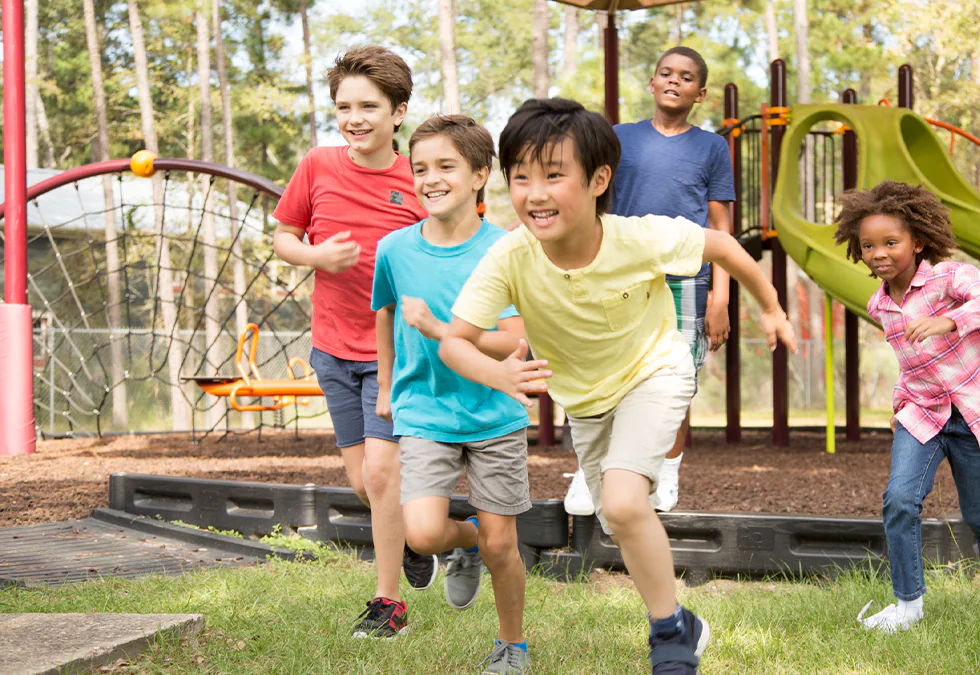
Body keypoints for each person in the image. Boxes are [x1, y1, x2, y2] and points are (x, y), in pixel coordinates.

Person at [439, 98, 797, 675]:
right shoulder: (511, 255)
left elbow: (725, 245)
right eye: (522, 177)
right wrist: (499, 372)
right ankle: (685, 622)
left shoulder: (638, 237)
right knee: (616, 517)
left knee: (626, 503)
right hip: (587, 399)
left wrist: (771, 307)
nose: (535, 193)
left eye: (555, 175)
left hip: (656, 371)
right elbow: (455, 341)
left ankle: (668, 641)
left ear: (599, 178)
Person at [271, 45, 435, 640]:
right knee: (365, 484)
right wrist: (315, 255)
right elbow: (285, 236)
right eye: (344, 106)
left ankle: (387, 603)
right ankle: (419, 543)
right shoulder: (317, 165)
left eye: (369, 105)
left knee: (385, 475)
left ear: (399, 112)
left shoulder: (421, 177)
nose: (354, 117)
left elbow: (454, 244)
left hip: (397, 353)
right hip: (332, 346)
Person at [832, 180, 980, 633]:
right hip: (922, 412)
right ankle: (908, 606)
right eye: (868, 245)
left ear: (917, 242)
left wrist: (950, 320)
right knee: (900, 500)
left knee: (978, 514)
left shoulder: (949, 277)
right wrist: (901, 402)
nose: (878, 253)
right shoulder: (879, 305)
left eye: (890, 242)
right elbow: (909, 362)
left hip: (971, 410)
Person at [372, 114, 532, 673]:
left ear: (480, 175)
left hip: (494, 413)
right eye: (420, 168)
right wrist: (387, 385)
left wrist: (443, 330)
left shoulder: (507, 250)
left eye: (446, 166)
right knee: (421, 531)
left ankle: (512, 645)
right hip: (424, 410)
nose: (430, 178)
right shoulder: (394, 249)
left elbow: (514, 341)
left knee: (503, 546)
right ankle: (463, 546)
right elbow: (385, 314)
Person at [562, 46, 735, 516]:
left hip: (685, 279)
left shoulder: (712, 148)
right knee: (604, 370)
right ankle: (590, 469)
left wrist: (720, 295)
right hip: (620, 276)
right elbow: (589, 198)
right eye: (666, 73)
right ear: (652, 83)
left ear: (700, 93)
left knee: (676, 381)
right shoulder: (620, 139)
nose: (674, 81)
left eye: (686, 77)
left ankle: (666, 473)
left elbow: (721, 229)